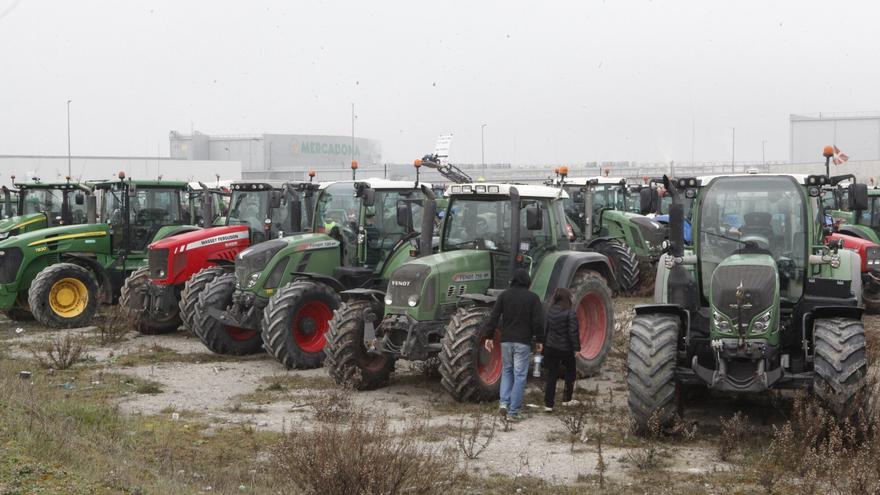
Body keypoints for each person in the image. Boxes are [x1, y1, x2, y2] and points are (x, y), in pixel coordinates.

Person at [483, 268, 544, 421]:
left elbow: (494, 317)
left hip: (506, 341)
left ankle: (503, 403)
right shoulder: (533, 298)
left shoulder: (504, 296)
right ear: (527, 282)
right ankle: (513, 412)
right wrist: (539, 340)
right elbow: (538, 322)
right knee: (520, 375)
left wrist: (489, 336)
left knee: (507, 371)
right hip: (523, 342)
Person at [542, 288, 581, 412]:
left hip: (551, 347)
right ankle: (567, 399)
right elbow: (573, 332)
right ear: (568, 298)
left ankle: (548, 404)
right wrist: (576, 348)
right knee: (570, 372)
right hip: (565, 349)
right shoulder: (570, 313)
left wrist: (544, 345)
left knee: (551, 375)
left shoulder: (550, 311)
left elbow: (546, 329)